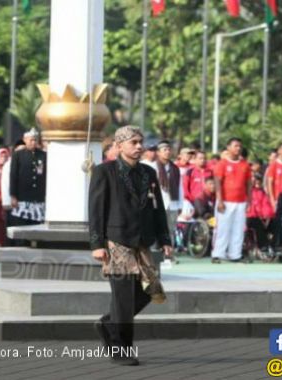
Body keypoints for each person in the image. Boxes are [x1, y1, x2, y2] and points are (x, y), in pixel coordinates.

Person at [89, 126, 171, 366]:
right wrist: (97, 243)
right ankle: (121, 349)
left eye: (140, 142)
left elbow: (158, 209)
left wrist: (165, 239)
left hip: (143, 241)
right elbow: (96, 210)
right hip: (117, 242)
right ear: (119, 145)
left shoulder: (148, 173)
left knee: (151, 291)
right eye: (133, 142)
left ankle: (108, 323)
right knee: (123, 299)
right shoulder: (105, 172)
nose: (139, 146)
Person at [212, 137, 252, 263]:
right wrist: (220, 200)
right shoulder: (222, 164)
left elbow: (249, 183)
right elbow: (217, 182)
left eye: (239, 146)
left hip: (241, 202)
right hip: (226, 201)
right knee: (223, 228)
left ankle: (235, 254)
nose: (238, 148)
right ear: (228, 148)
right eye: (235, 146)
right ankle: (218, 254)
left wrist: (249, 200)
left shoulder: (245, 164)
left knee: (238, 229)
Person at [9, 128, 47, 226]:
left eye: (35, 140)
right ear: (25, 140)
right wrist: (13, 195)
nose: (33, 142)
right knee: (21, 225)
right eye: (31, 140)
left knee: (37, 225)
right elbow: (13, 175)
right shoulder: (18, 155)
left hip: (38, 197)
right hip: (22, 197)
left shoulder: (43, 155)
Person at [155, 140, 183, 249]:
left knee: (171, 229)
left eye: (168, 150)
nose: (167, 152)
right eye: (164, 150)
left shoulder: (175, 168)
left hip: (173, 204)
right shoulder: (154, 167)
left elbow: (180, 187)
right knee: (157, 228)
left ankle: (169, 253)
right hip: (158, 204)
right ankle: (157, 252)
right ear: (158, 152)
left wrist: (180, 205)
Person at [246, 173, 275, 253]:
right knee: (257, 223)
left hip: (261, 217)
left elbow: (266, 205)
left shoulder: (263, 193)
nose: (257, 182)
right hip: (250, 217)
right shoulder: (247, 192)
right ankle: (263, 246)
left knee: (275, 222)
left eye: (259, 180)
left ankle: (276, 245)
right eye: (255, 180)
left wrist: (267, 216)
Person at [266, 143, 282, 210]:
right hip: (278, 198)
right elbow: (270, 183)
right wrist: (272, 199)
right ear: (279, 151)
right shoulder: (274, 165)